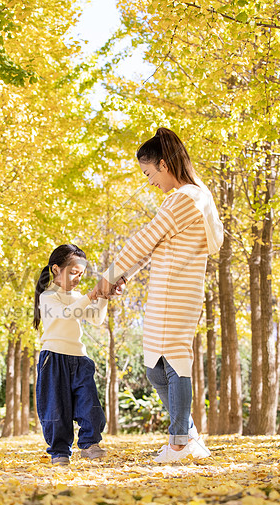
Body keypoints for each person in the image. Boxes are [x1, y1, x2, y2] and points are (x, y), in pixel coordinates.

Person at [91, 127, 224, 463]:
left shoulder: (185, 198)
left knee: (175, 362)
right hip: (174, 292)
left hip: (173, 294)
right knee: (155, 368)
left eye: (149, 173)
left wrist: (109, 276)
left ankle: (179, 443)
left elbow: (144, 239)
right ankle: (189, 436)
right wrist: (123, 276)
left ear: (164, 165)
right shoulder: (194, 197)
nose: (149, 181)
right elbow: (157, 247)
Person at [34, 244, 109, 466]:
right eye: (74, 272)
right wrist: (91, 295)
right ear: (56, 269)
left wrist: (103, 296)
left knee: (89, 402)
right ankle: (59, 452)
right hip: (53, 358)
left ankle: (89, 443)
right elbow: (67, 314)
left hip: (79, 358)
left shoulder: (77, 296)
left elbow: (96, 318)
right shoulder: (48, 296)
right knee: (55, 408)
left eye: (81, 274)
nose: (78, 278)